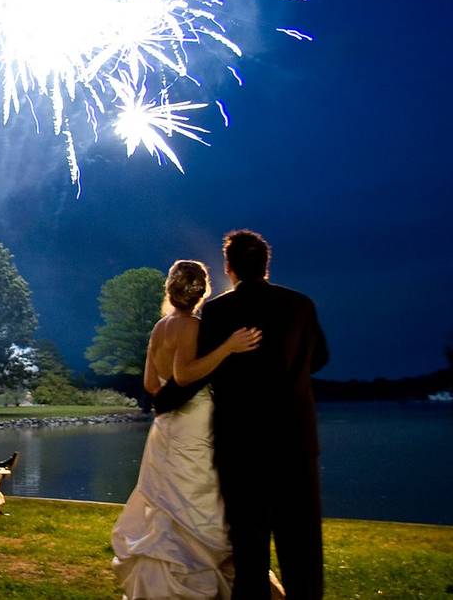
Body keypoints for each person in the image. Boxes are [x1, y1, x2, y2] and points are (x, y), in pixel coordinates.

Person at [112, 259, 263, 599]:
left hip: (164, 428)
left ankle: (165, 581)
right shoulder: (192, 326)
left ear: (171, 289)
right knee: (198, 498)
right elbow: (183, 375)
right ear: (202, 291)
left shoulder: (159, 327)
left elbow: (152, 383)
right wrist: (228, 348)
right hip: (194, 422)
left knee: (168, 506)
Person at [190, 231, 329, 600]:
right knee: (302, 545)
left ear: (228, 268)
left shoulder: (217, 310)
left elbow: (206, 366)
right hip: (295, 440)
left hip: (241, 443)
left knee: (249, 547)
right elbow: (320, 358)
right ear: (267, 265)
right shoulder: (301, 305)